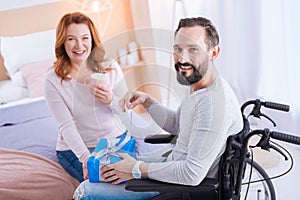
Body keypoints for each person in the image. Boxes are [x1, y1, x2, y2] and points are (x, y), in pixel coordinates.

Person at [73, 17, 243, 199]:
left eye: (193, 49)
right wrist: (148, 102)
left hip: (182, 188)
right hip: (171, 167)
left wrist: (135, 169)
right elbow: (178, 125)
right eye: (178, 49)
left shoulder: (214, 104)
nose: (182, 58)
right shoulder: (198, 86)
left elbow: (191, 174)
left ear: (213, 53)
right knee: (104, 168)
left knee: (86, 191)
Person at [44, 12, 128, 183]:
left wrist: (111, 99)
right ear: (62, 42)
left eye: (85, 38)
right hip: (77, 150)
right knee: (106, 184)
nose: (79, 45)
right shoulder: (53, 79)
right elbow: (66, 125)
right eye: (71, 39)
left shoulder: (110, 67)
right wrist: (85, 158)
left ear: (92, 40)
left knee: (134, 180)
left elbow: (127, 112)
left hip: (116, 140)